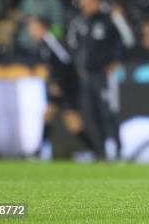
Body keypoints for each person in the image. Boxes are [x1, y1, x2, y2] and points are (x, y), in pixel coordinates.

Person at [27, 17, 97, 160]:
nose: (30, 31)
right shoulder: (43, 45)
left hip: (68, 85)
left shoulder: (52, 42)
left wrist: (58, 82)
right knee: (48, 114)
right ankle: (40, 151)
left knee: (72, 121)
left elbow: (67, 61)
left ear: (41, 27)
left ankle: (94, 151)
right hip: (60, 85)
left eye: (32, 27)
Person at [67, 0, 122, 160]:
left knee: (107, 111)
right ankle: (101, 151)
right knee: (93, 113)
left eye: (87, 1)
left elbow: (126, 40)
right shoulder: (80, 22)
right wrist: (78, 64)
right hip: (86, 75)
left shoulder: (110, 19)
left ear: (97, 1)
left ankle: (116, 148)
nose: (84, 5)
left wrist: (115, 60)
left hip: (104, 74)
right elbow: (72, 43)